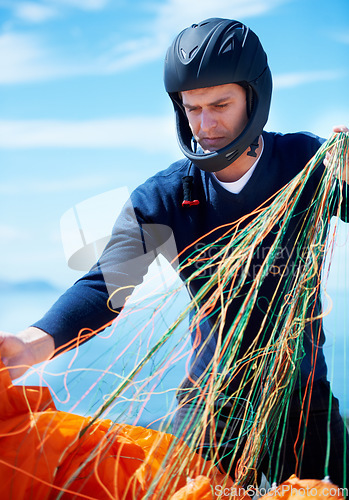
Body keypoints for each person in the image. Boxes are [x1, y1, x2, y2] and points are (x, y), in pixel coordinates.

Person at [0, 18, 348, 488]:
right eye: (193, 109)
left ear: (255, 97)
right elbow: (105, 284)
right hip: (211, 408)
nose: (206, 125)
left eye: (221, 105)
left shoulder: (312, 164)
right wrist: (29, 344)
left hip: (307, 403)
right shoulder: (164, 197)